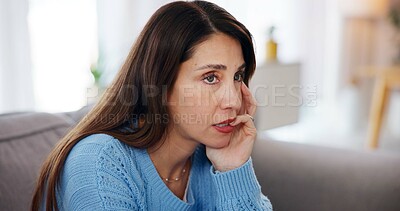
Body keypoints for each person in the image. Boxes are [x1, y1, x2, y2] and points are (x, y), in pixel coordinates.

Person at [31, 1, 273, 210]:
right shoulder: (100, 162)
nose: (233, 100)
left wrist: (233, 168)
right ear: (160, 83)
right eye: (210, 78)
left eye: (237, 76)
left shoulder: (211, 155)